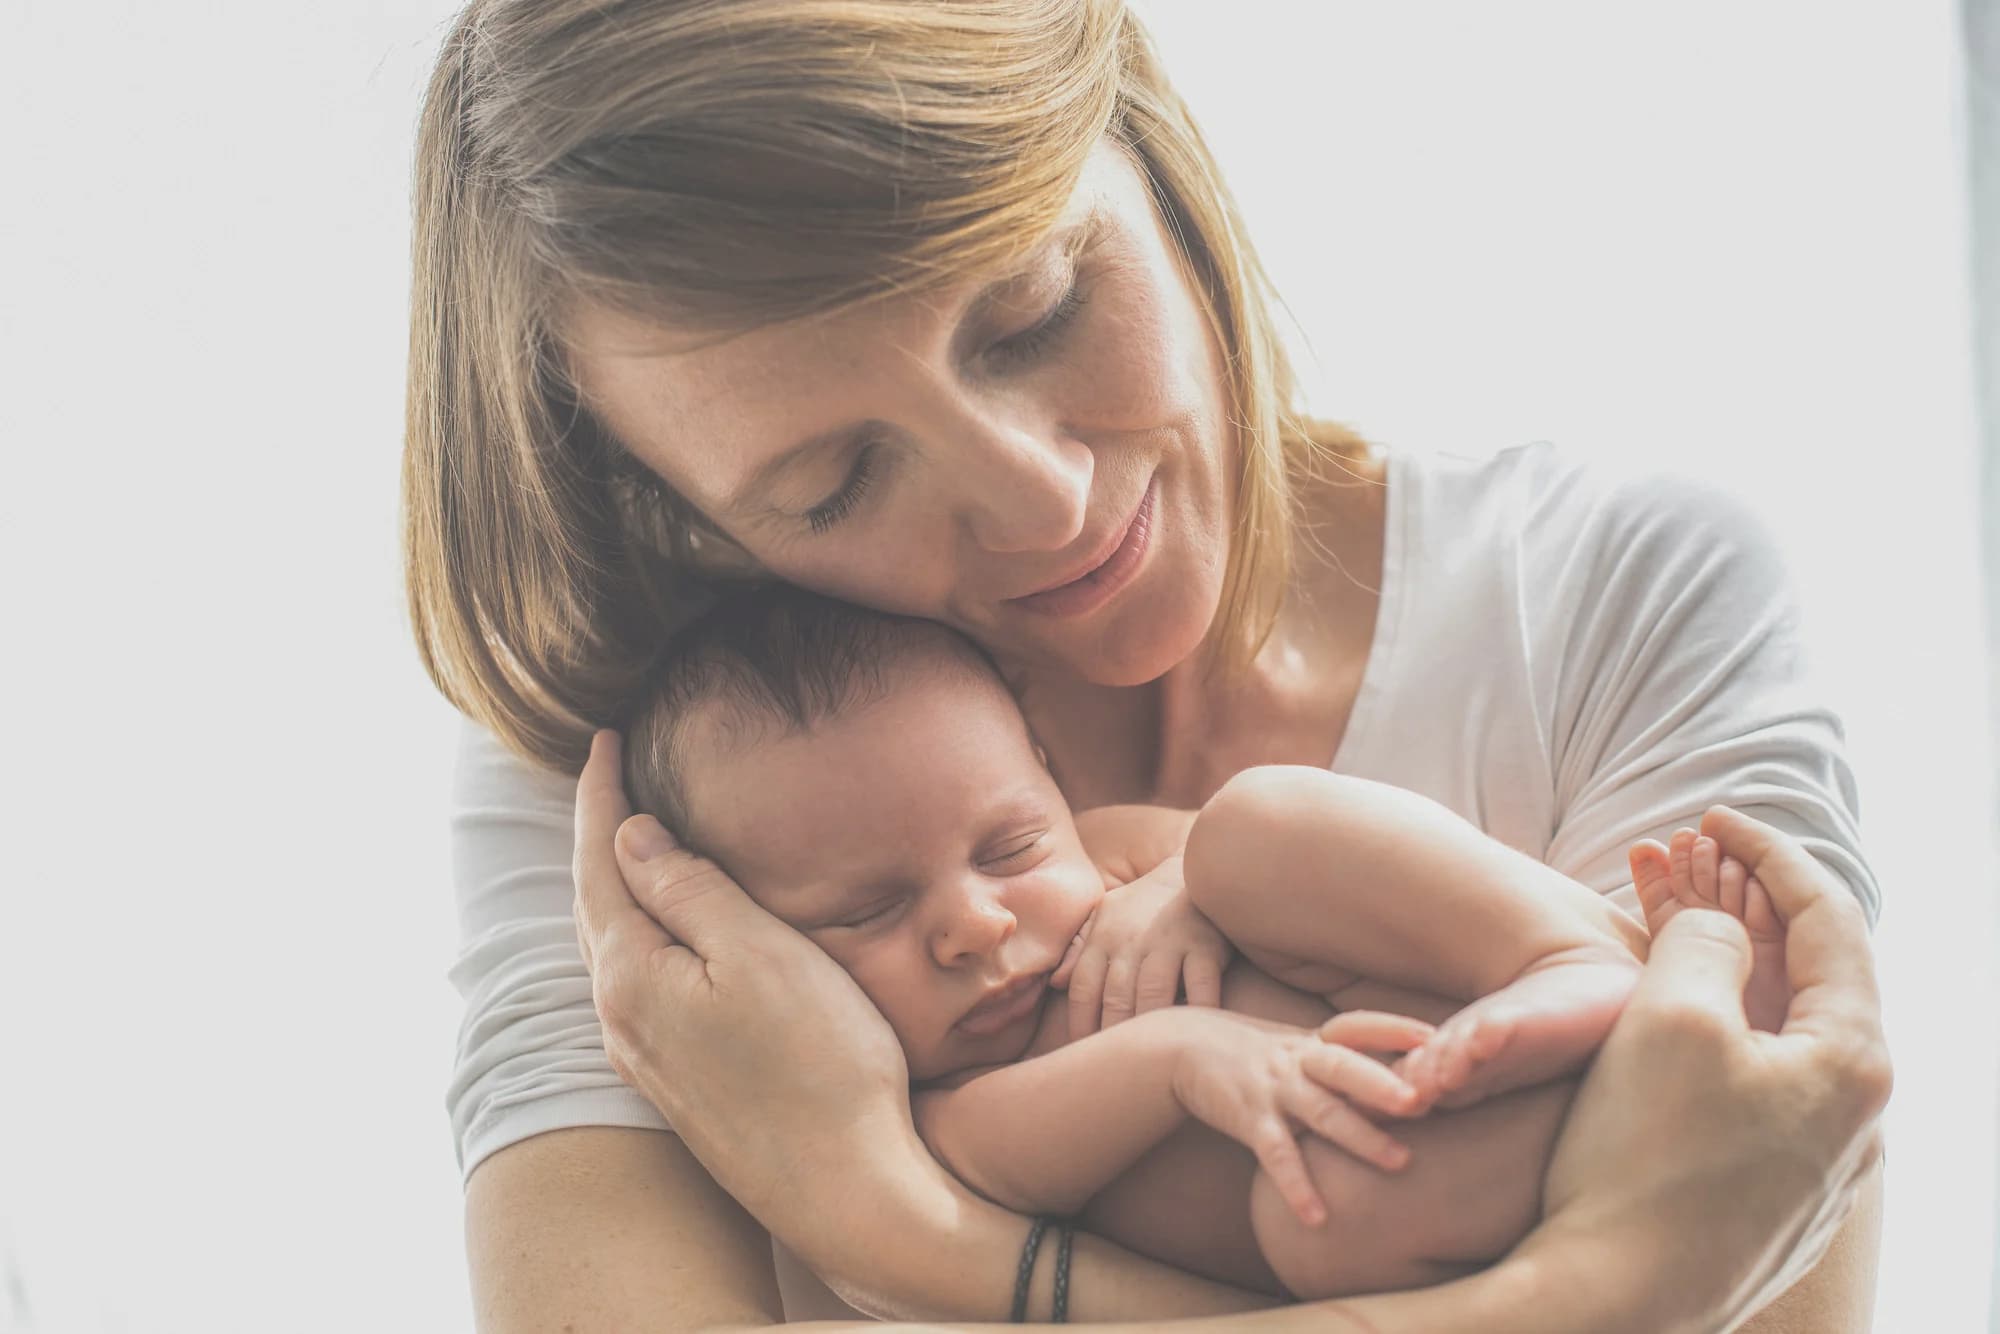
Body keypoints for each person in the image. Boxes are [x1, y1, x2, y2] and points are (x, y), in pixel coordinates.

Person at [405, 0, 1891, 1326]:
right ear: (674, 511)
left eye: (1041, 305)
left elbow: (1765, 1211)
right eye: (831, 483)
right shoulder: (661, 793)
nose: (1042, 497)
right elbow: (1684, 1232)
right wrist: (1603, 1284)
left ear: (1150, 144)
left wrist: (908, 1231)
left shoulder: (1607, 593)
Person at [616, 585, 1669, 1299]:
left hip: (1449, 1006)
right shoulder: (916, 1116)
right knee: (1324, 1216)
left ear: (1045, 774)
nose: (977, 921)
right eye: (867, 912)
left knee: (1251, 828)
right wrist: (1180, 1056)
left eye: (1010, 842)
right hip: (1429, 1171)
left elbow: (1242, 863)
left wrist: (1178, 885)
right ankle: (1583, 1103)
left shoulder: (1110, 851)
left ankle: (1560, 959)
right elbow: (998, 1158)